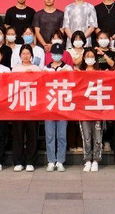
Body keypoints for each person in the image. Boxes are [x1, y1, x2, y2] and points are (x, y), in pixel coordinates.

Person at [9, 45, 42, 171]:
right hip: (19, 105)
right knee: (18, 134)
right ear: (20, 55)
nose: (25, 56)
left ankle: (30, 161)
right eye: (23, 53)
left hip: (33, 105)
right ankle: (18, 161)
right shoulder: (15, 69)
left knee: (32, 133)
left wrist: (33, 75)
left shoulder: (36, 68)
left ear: (31, 55)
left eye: (28, 53)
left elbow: (41, 85)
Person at [43, 43, 71, 171]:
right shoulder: (46, 69)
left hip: (62, 105)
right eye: (54, 53)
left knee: (61, 135)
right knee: (50, 135)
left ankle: (60, 160)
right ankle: (51, 160)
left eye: (59, 54)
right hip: (49, 105)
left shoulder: (67, 68)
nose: (57, 56)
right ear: (51, 54)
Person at [77, 47, 106, 171]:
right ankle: (87, 159)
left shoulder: (101, 72)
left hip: (98, 109)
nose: (90, 58)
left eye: (92, 56)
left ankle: (96, 160)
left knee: (98, 137)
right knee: (86, 137)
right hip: (84, 110)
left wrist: (102, 54)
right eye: (87, 56)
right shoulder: (80, 73)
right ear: (83, 58)